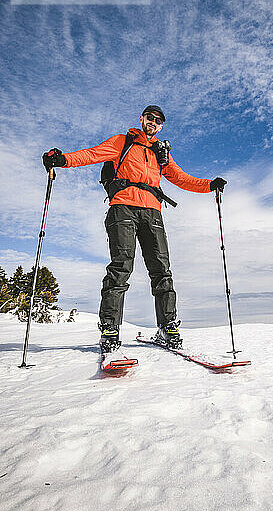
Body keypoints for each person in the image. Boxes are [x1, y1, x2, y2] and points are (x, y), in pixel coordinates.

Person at [42, 105, 226, 353]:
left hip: (152, 211)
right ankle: (109, 328)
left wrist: (209, 184)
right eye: (150, 118)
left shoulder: (162, 154)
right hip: (122, 208)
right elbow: (91, 155)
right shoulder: (122, 142)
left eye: (158, 120)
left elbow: (182, 178)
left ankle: (168, 326)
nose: (153, 122)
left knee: (161, 269)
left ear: (161, 126)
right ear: (142, 119)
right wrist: (62, 160)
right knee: (121, 266)